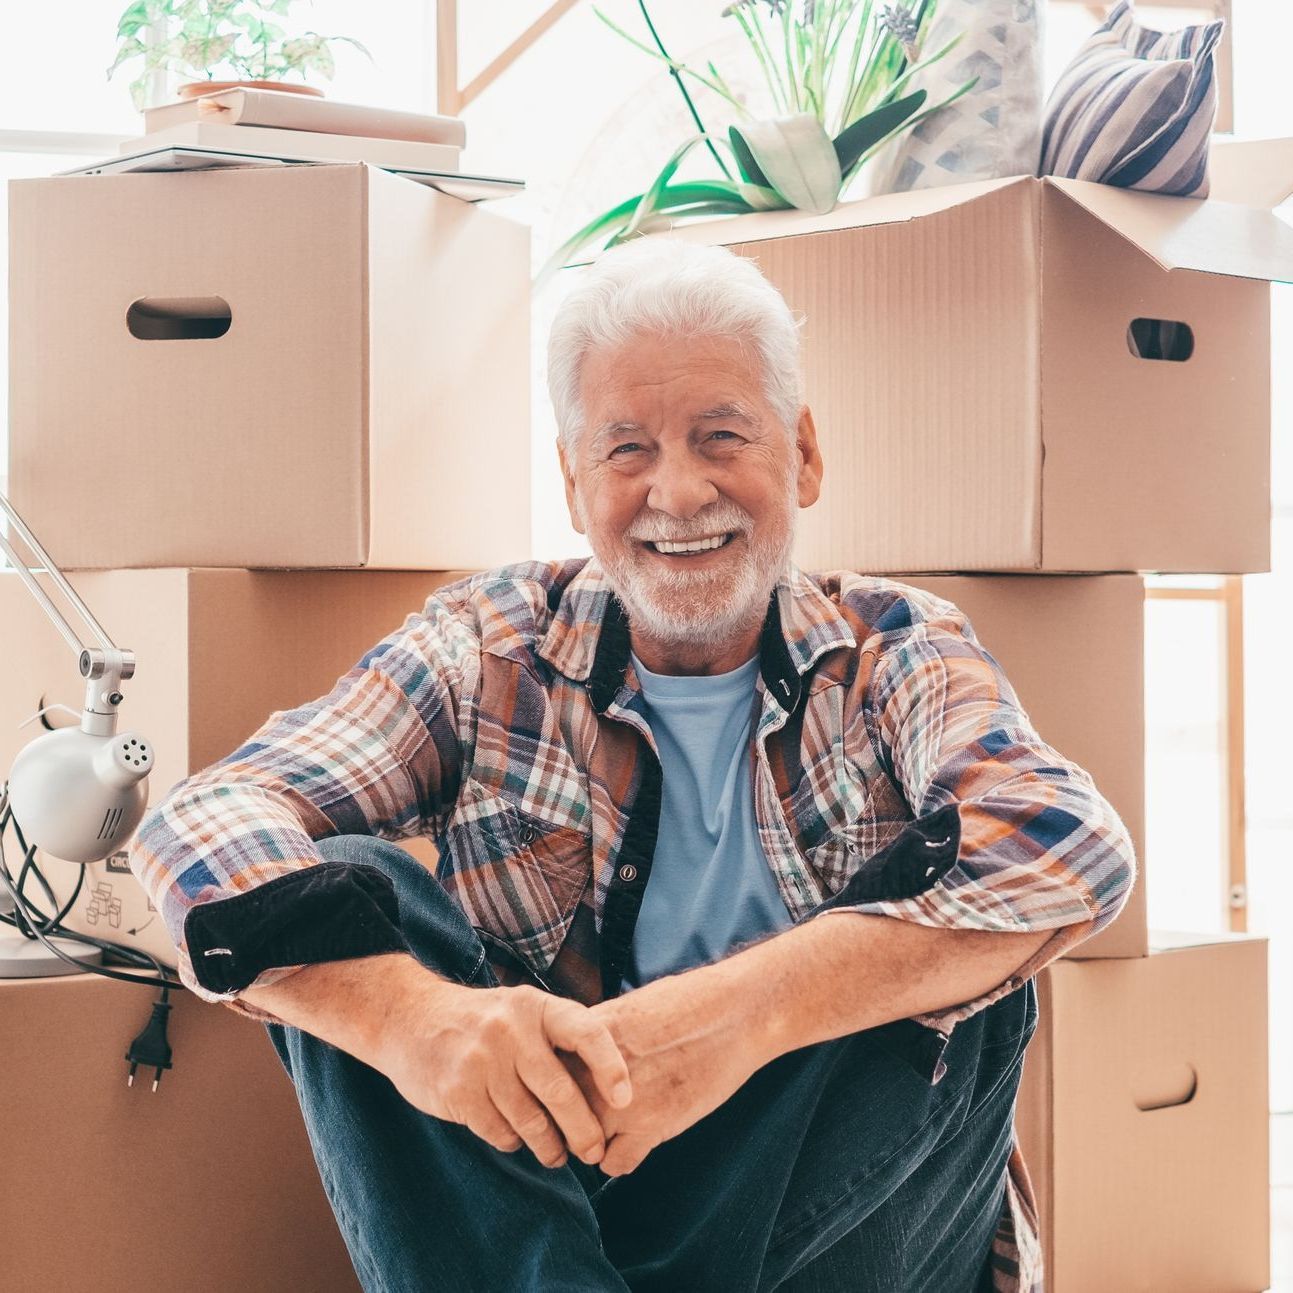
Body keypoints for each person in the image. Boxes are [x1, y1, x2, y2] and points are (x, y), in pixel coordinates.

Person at [129, 237, 1135, 1293]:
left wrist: (730, 1023)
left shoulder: (896, 646)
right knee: (354, 889)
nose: (681, 491)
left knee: (977, 954)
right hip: (567, 1220)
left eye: (721, 437)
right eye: (627, 452)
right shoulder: (489, 645)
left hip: (843, 1229)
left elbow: (1069, 845)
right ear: (574, 482)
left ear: (803, 455)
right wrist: (413, 1023)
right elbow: (204, 822)